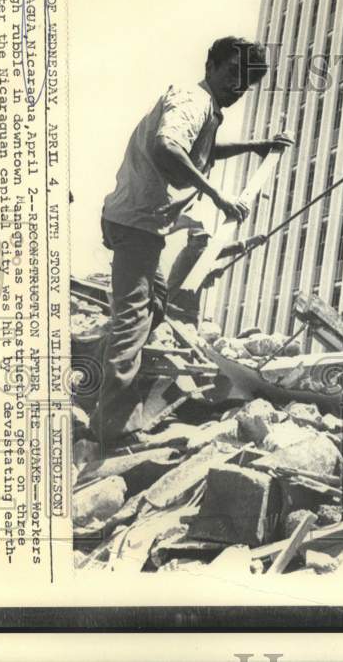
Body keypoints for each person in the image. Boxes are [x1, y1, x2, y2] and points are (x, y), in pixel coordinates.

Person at [93, 36, 292, 441]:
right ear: (211, 65)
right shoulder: (193, 101)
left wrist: (255, 146)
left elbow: (203, 150)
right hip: (137, 224)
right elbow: (168, 146)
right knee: (133, 321)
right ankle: (110, 429)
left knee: (158, 305)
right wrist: (219, 197)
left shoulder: (206, 110)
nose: (238, 86)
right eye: (233, 73)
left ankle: (98, 379)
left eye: (247, 82)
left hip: (138, 222)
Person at [166, 227, 266, 326]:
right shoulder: (189, 254)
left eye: (205, 240)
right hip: (177, 309)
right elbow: (218, 252)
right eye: (199, 240)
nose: (203, 243)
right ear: (189, 241)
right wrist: (249, 242)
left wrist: (211, 275)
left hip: (187, 311)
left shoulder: (195, 260)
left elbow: (198, 283)